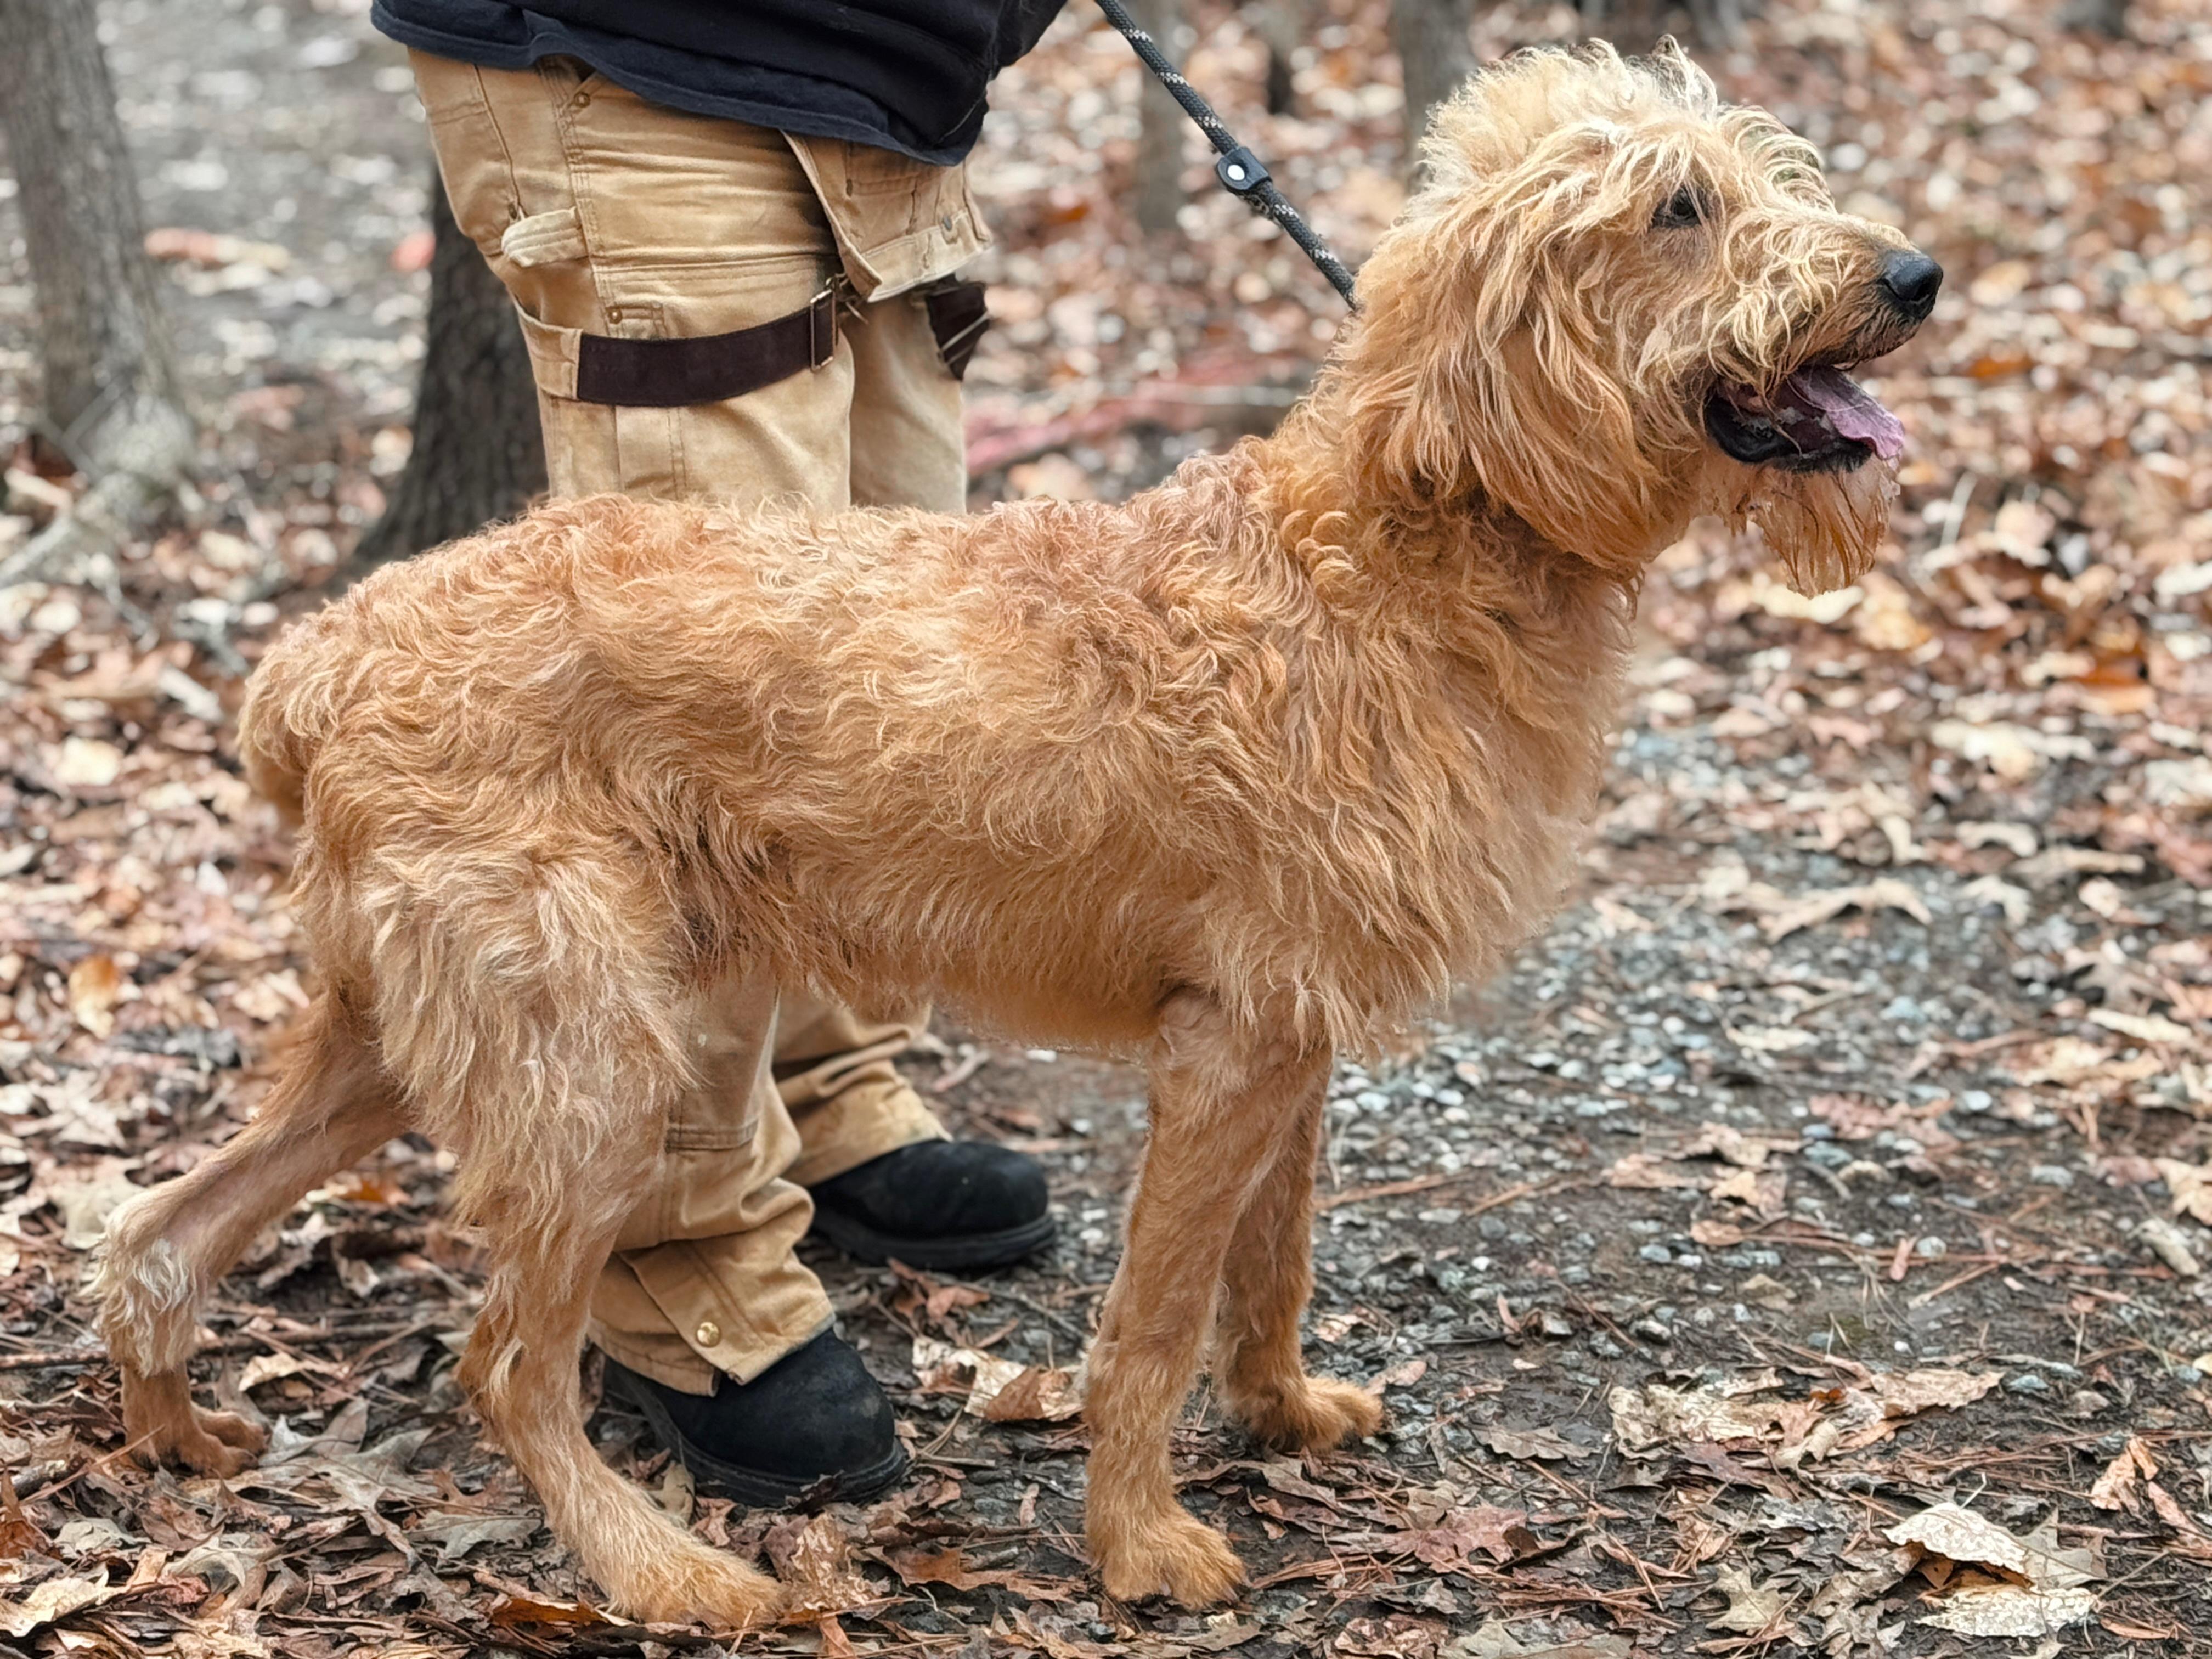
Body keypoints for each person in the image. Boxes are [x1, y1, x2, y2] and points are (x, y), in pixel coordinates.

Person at [371, 0, 1069, 1506]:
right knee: (716, 737)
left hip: (890, 91)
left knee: (891, 677)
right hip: (650, 55)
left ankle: (825, 1087)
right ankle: (681, 1260)